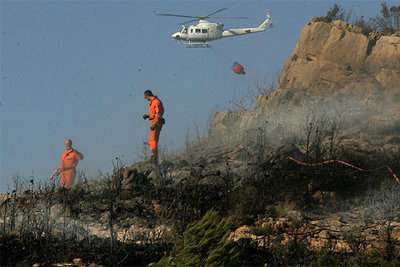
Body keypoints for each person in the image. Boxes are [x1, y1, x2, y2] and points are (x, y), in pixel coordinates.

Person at [143, 89, 165, 164]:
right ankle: (154, 156)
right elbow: (154, 113)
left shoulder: (156, 102)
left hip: (156, 122)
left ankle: (154, 157)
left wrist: (155, 123)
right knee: (152, 140)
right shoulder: (154, 102)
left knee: (153, 139)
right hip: (154, 121)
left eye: (145, 98)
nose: (146, 99)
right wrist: (148, 116)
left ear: (147, 95)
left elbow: (159, 113)